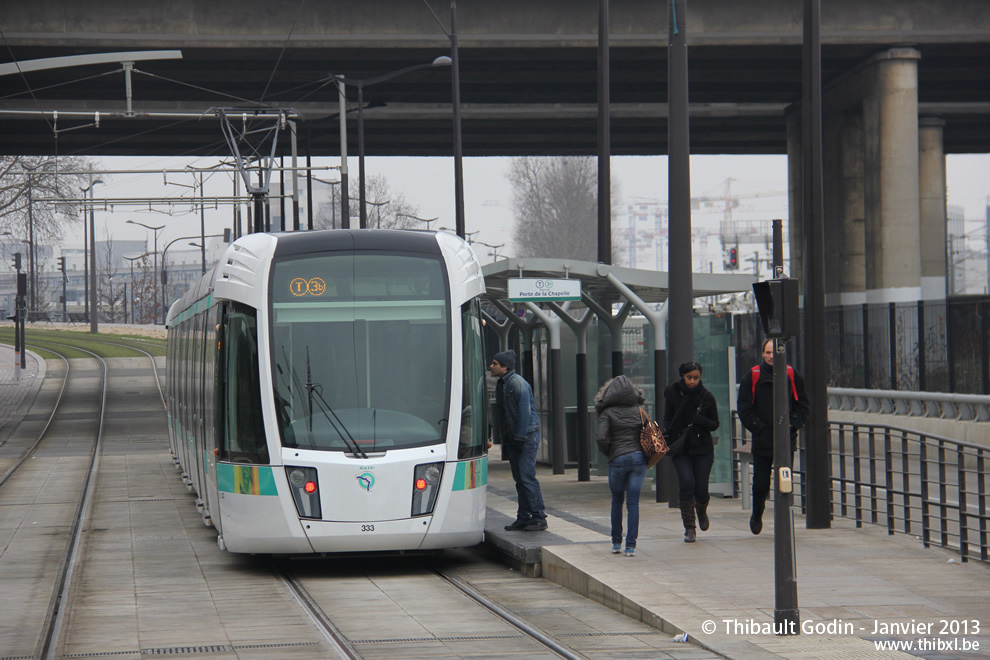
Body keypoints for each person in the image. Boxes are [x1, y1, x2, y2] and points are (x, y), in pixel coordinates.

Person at [737, 338, 810, 535]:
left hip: (786, 440)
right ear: (762, 353)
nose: (771, 357)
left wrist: (792, 424)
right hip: (762, 440)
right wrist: (759, 428)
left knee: (784, 481)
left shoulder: (791, 375)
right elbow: (744, 408)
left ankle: (783, 519)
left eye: (774, 353)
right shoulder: (753, 376)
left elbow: (803, 405)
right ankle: (757, 514)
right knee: (761, 482)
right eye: (767, 353)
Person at [662, 361, 720, 543]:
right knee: (687, 483)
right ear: (683, 376)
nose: (692, 381)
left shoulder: (706, 397)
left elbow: (714, 424)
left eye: (696, 378)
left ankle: (701, 508)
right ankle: (689, 527)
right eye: (689, 378)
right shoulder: (672, 393)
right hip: (681, 447)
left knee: (701, 488)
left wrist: (698, 420)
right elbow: (667, 417)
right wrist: (668, 435)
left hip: (703, 449)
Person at [490, 350, 548, 532]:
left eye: (495, 363)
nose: (491, 366)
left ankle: (539, 517)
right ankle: (524, 517)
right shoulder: (503, 383)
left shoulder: (517, 384)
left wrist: (520, 437)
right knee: (520, 479)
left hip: (525, 436)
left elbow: (524, 412)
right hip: (515, 437)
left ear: (504, 366)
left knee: (526, 477)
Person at [594, 375, 648, 557]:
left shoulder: (608, 413)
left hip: (617, 459)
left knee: (617, 501)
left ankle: (616, 542)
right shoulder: (639, 410)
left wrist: (609, 452)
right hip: (638, 459)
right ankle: (631, 546)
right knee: (633, 503)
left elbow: (601, 437)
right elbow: (650, 433)